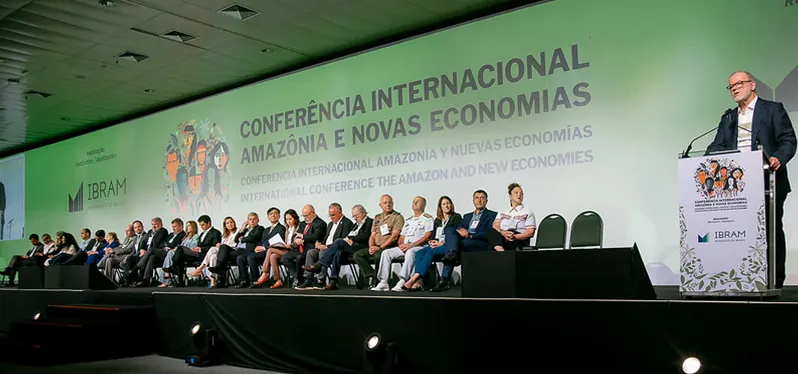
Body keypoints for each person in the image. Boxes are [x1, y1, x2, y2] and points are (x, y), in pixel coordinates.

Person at [706, 71, 797, 288]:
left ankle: (774, 280)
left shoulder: (773, 109)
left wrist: (778, 158)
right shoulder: (728, 118)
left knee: (770, 231)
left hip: (768, 181)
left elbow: (788, 139)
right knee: (740, 234)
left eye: (739, 83)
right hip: (737, 187)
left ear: (752, 84)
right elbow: (715, 147)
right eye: (731, 86)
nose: (735, 88)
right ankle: (744, 277)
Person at [431, 189, 497, 292]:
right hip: (464, 241)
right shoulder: (467, 216)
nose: (479, 200)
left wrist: (470, 235)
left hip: (479, 242)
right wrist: (461, 230)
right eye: (477, 198)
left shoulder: (492, 215)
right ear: (473, 201)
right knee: (450, 230)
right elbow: (459, 228)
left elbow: (489, 233)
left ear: (486, 201)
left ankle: (444, 280)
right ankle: (452, 255)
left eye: (482, 198)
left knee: (453, 247)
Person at [302, 205, 372, 290]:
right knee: (337, 253)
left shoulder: (369, 222)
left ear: (363, 213)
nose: (355, 218)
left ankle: (319, 266)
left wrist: (352, 240)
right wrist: (321, 244)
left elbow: (365, 236)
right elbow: (348, 236)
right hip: (348, 246)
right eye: (353, 216)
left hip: (360, 248)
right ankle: (333, 281)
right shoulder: (355, 225)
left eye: (356, 216)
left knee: (338, 241)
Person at [371, 196, 434, 292]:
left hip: (419, 247)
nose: (414, 203)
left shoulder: (427, 218)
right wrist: (401, 245)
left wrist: (412, 245)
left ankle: (403, 280)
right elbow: (402, 237)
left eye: (417, 201)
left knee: (410, 252)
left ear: (424, 205)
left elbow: (427, 236)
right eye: (413, 201)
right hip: (406, 247)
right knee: (386, 253)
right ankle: (384, 282)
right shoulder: (409, 220)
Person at [402, 196, 463, 291]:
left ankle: (415, 278)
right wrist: (432, 241)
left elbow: (456, 234)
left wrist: (442, 242)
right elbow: (434, 236)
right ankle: (419, 282)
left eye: (448, 203)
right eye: (444, 204)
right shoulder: (437, 221)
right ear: (440, 207)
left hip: (448, 246)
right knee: (420, 253)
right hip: (437, 245)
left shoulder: (456, 217)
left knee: (430, 253)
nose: (447, 205)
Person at [296, 203, 352, 290]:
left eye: (333, 215)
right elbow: (325, 238)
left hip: (335, 249)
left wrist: (327, 246)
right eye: (329, 215)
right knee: (310, 252)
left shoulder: (347, 223)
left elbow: (342, 240)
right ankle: (308, 279)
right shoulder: (330, 224)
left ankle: (320, 280)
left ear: (340, 213)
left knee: (322, 252)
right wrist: (320, 244)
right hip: (325, 247)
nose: (331, 217)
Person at [353, 194, 404, 288]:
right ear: (380, 205)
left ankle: (378, 282)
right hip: (376, 246)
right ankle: (372, 275)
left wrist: (380, 247)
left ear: (393, 204)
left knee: (378, 255)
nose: (388, 204)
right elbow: (372, 235)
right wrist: (371, 247)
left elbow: (394, 236)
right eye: (385, 203)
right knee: (357, 255)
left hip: (388, 247)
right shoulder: (377, 218)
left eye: (390, 202)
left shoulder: (397, 217)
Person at [252, 209, 300, 289]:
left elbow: (298, 243)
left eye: (290, 219)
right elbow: (284, 242)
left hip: (293, 251)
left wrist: (289, 245)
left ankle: (264, 273)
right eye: (287, 219)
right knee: (272, 256)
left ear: (295, 218)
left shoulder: (298, 228)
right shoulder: (287, 229)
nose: (288, 221)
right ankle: (278, 280)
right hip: (286, 250)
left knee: (270, 250)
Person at [171, 215, 222, 286]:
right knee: (181, 257)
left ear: (209, 223)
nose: (202, 227)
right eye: (200, 225)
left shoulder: (215, 232)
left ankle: (173, 266)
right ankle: (180, 281)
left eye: (203, 225)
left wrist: (201, 249)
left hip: (205, 255)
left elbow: (215, 247)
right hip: (196, 254)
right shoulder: (202, 234)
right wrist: (196, 248)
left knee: (180, 248)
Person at [284, 205, 326, 289]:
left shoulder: (320, 223)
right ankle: (298, 277)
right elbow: (298, 235)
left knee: (300, 257)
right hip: (300, 248)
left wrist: (303, 238)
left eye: (306, 215)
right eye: (303, 216)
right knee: (285, 258)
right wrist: (297, 240)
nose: (305, 218)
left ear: (313, 213)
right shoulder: (303, 223)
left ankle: (302, 280)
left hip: (311, 248)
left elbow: (316, 237)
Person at [486, 183, 536, 252]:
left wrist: (514, 237)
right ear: (510, 196)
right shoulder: (503, 212)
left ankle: (501, 253)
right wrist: (502, 233)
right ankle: (501, 252)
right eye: (516, 193)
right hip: (503, 236)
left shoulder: (527, 212)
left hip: (518, 238)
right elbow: (496, 225)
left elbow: (530, 232)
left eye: (521, 193)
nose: (519, 195)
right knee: (490, 231)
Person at [188, 216, 234, 288]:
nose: (229, 224)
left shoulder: (217, 232)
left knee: (213, 248)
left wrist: (202, 249)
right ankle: (213, 281)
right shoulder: (224, 235)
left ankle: (200, 268)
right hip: (221, 252)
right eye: (227, 223)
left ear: (208, 223)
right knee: (213, 257)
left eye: (231, 222)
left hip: (231, 251)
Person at [246, 207, 285, 288]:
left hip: (274, 250)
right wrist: (258, 247)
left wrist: (264, 248)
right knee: (246, 256)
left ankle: (258, 280)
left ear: (279, 216)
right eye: (271, 214)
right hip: (264, 251)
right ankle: (253, 281)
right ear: (268, 216)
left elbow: (277, 241)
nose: (273, 215)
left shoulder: (281, 228)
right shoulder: (266, 230)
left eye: (275, 213)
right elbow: (262, 241)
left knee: (251, 257)